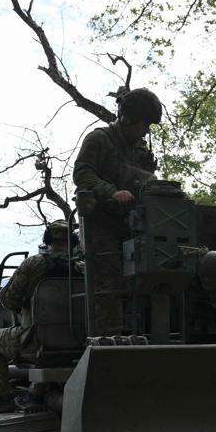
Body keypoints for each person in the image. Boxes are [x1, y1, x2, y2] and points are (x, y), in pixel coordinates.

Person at [73, 87, 162, 335]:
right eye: (143, 124)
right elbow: (82, 173)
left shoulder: (140, 151)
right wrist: (111, 192)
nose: (146, 131)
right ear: (127, 119)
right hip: (101, 223)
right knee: (109, 282)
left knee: (150, 274)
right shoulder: (99, 139)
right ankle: (109, 339)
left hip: (134, 224)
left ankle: (144, 333)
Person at [0, 220, 74, 411]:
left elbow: (8, 300)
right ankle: (37, 392)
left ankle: (1, 398)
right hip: (76, 341)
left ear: (47, 239)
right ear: (73, 240)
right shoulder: (82, 267)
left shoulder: (34, 263)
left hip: (36, 342)